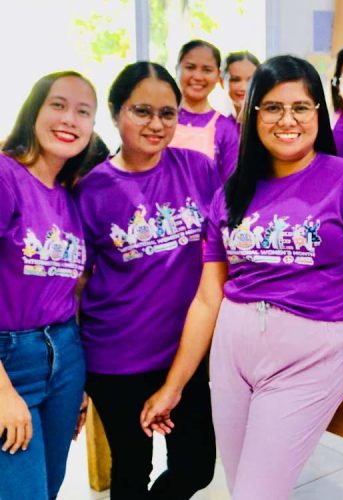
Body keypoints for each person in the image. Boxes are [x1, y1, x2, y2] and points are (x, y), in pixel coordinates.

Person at [139, 55, 343, 500]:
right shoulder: (230, 191)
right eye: (272, 107)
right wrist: (174, 386)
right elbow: (208, 297)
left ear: (318, 114)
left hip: (311, 355)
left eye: (301, 107)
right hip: (232, 353)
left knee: (255, 494)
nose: (287, 119)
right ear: (253, 114)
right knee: (242, 487)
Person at [76, 62, 219, 500]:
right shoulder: (91, 188)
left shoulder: (198, 169)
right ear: (116, 113)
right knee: (132, 468)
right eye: (142, 111)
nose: (156, 124)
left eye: (168, 113)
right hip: (117, 358)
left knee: (196, 466)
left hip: (186, 350)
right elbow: (77, 284)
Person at [0, 71, 97, 500]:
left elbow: (70, 292)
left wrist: (77, 386)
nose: (69, 119)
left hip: (65, 357)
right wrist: (2, 390)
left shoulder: (71, 194)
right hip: (9, 360)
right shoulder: (5, 177)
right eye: (58, 105)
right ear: (34, 111)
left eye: (83, 111)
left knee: (49, 487)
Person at [170, 39, 240, 181]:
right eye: (190, 67)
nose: (197, 77)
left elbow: (231, 189)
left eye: (207, 70)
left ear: (217, 75)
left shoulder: (226, 129)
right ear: (177, 69)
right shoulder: (160, 120)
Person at [223, 51, 259, 121]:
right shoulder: (219, 124)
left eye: (251, 80)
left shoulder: (269, 122)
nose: (244, 88)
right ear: (221, 82)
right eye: (235, 80)